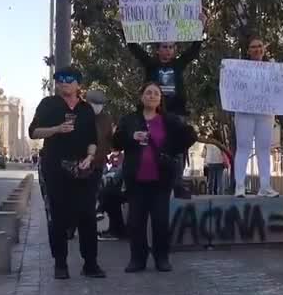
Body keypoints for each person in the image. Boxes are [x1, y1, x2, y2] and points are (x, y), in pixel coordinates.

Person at [29, 67, 105, 280]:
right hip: (55, 166)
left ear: (78, 84)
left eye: (69, 79)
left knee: (88, 215)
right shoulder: (49, 104)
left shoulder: (86, 109)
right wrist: (56, 129)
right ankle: (60, 263)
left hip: (82, 167)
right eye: (60, 79)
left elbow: (93, 139)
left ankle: (90, 263)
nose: (64, 82)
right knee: (59, 216)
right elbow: (33, 131)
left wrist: (90, 158)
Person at [113, 83, 197, 273]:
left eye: (156, 93)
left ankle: (162, 257)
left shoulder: (169, 120)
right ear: (141, 97)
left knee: (160, 221)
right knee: (136, 221)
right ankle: (137, 259)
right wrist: (131, 137)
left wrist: (173, 149)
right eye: (148, 93)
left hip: (162, 179)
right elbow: (116, 142)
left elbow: (189, 135)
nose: (152, 96)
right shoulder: (130, 119)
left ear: (160, 99)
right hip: (136, 179)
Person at [128, 25, 204, 199]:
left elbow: (194, 50)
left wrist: (202, 26)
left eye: (171, 47)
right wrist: (123, 26)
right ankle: (140, 184)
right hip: (154, 114)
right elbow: (134, 47)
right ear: (157, 50)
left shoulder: (178, 64)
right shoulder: (150, 64)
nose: (168, 50)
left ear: (175, 49)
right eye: (164, 47)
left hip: (176, 113)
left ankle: (177, 185)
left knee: (178, 150)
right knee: (148, 147)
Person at [233, 37, 279, 197]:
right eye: (253, 47)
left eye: (260, 46)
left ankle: (265, 186)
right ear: (248, 50)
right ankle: (239, 186)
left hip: (265, 112)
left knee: (264, 149)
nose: (257, 49)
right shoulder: (239, 68)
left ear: (264, 49)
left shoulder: (272, 69)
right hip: (244, 112)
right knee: (243, 147)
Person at [85, 89, 120, 241]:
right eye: (95, 104)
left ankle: (90, 228)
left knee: (92, 196)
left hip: (98, 164)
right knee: (82, 198)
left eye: (101, 104)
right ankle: (72, 228)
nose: (98, 107)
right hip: (82, 164)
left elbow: (110, 140)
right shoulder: (81, 116)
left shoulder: (106, 118)